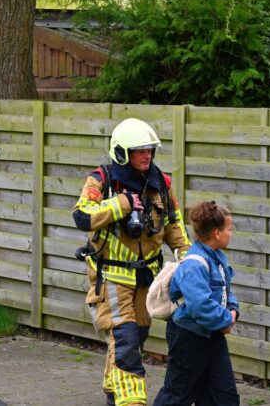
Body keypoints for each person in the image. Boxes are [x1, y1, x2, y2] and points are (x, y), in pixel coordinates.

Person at [72, 118, 191, 406]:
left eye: (150, 150)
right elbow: (82, 216)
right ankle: (132, 402)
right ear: (123, 152)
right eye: (140, 150)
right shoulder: (101, 180)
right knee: (125, 343)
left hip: (146, 282)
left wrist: (188, 259)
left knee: (133, 341)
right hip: (112, 278)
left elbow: (174, 224)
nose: (147, 155)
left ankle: (114, 395)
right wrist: (123, 205)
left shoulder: (161, 183)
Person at [153, 201, 240, 406]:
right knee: (178, 395)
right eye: (229, 229)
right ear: (217, 233)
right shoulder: (194, 265)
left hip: (212, 336)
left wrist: (233, 309)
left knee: (224, 396)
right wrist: (226, 319)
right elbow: (200, 306)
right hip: (188, 339)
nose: (231, 234)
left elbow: (226, 290)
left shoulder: (217, 258)